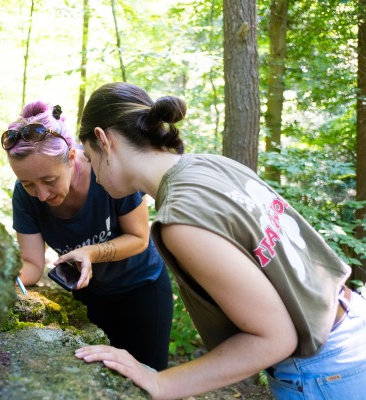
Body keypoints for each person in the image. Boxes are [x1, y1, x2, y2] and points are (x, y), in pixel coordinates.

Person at [70, 82, 366, 399]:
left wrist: (161, 382)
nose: (94, 174)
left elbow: (276, 338)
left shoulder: (180, 220)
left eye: (88, 156)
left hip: (325, 370)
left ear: (103, 139)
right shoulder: (209, 164)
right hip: (351, 322)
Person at [1, 100, 174, 371]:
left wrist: (91, 252)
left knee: (148, 375)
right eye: (28, 184)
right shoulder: (25, 195)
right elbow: (33, 265)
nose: (42, 195)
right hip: (90, 295)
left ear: (71, 157)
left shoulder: (106, 171)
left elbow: (139, 238)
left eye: (49, 181)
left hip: (142, 287)